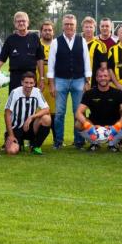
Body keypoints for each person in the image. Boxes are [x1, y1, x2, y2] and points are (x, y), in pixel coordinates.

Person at [47, 14, 92, 149]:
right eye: (66, 24)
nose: (69, 26)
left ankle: (79, 141)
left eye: (71, 24)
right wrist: (51, 84)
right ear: (63, 25)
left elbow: (86, 62)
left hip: (79, 80)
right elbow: (51, 65)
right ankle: (58, 141)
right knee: (60, 113)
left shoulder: (81, 40)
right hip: (60, 80)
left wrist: (87, 81)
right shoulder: (56, 42)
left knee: (78, 112)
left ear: (75, 25)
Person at [75, 67, 122, 153]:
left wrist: (116, 126)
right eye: (100, 76)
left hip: (112, 127)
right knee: (78, 124)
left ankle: (112, 144)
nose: (103, 78)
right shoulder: (89, 93)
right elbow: (78, 113)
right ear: (96, 78)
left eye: (105, 76)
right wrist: (89, 126)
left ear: (109, 78)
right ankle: (94, 144)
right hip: (94, 127)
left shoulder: (117, 93)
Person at [0, 11, 44, 92]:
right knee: (15, 102)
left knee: (30, 102)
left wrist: (41, 78)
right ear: (15, 23)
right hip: (15, 78)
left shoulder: (35, 38)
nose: (21, 23)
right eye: (18, 21)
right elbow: (1, 59)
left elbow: (40, 59)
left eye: (23, 21)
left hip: (30, 78)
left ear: (28, 22)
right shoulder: (10, 39)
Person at [4, 72, 52, 155]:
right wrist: (11, 135)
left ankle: (35, 146)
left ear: (34, 83)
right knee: (12, 151)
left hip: (29, 127)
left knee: (47, 119)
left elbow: (47, 109)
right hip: (16, 127)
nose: (29, 85)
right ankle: (15, 142)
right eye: (26, 82)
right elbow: (7, 114)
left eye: (31, 83)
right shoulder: (15, 92)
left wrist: (31, 117)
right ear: (22, 82)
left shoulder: (37, 92)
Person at [37, 21, 57, 117]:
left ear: (53, 32)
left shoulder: (58, 45)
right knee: (39, 112)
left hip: (54, 85)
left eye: (50, 30)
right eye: (45, 30)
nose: (47, 32)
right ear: (41, 32)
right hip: (39, 85)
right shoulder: (36, 44)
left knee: (54, 114)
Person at [81, 16, 109, 86]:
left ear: (94, 28)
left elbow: (104, 67)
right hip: (79, 81)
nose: (88, 29)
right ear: (83, 28)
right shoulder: (77, 43)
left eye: (91, 27)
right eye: (86, 27)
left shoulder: (100, 45)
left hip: (94, 82)